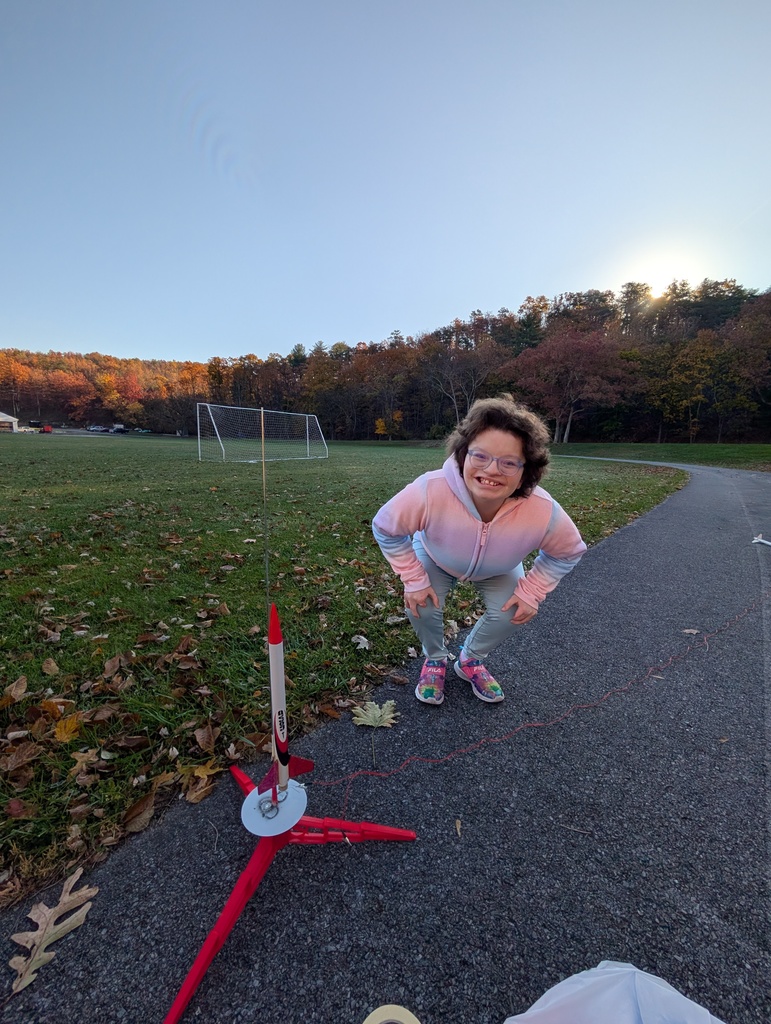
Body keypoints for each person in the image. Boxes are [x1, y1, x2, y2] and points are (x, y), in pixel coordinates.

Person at [372, 394, 586, 706]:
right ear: (462, 455)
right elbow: (386, 527)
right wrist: (413, 578)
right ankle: (435, 658)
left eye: (509, 462)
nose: (492, 470)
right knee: (421, 603)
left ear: (527, 470)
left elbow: (568, 551)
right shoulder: (429, 490)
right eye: (480, 456)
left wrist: (533, 591)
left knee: (515, 611)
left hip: (501, 567)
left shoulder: (543, 509)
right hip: (436, 555)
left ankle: (470, 660)